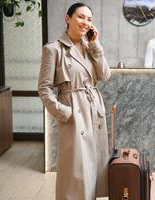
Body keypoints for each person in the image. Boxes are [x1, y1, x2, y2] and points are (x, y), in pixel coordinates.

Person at [38, 3, 110, 200]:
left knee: (94, 166)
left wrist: (96, 45)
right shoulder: (53, 49)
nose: (85, 22)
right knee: (76, 171)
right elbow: (44, 89)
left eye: (89, 19)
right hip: (74, 114)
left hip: (95, 111)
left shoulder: (91, 48)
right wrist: (65, 113)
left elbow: (104, 75)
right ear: (67, 18)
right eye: (81, 17)